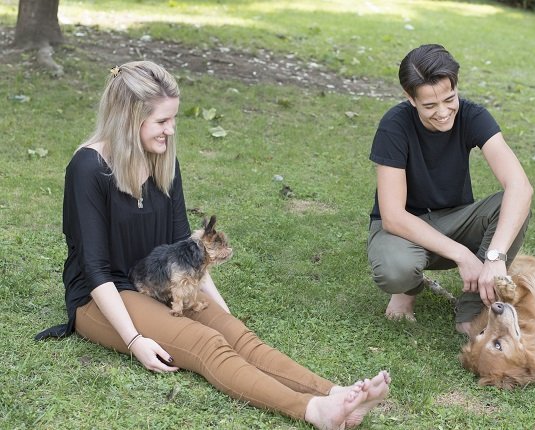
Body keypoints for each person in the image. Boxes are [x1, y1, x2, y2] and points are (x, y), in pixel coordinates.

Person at [35, 60, 390, 430]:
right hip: (102, 297)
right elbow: (94, 270)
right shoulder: (88, 168)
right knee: (207, 343)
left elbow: (183, 251)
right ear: (128, 118)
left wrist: (224, 314)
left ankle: (334, 394)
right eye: (161, 121)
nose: (171, 130)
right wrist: (135, 339)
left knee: (236, 334)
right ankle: (314, 411)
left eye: (173, 120)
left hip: (162, 282)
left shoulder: (164, 163)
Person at [367, 44, 533, 335]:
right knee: (395, 271)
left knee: (513, 203)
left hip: (455, 218)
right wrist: (463, 255)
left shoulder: (473, 116)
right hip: (403, 228)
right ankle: (408, 289)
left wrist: (494, 258)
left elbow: (520, 186)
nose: (443, 113)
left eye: (449, 99)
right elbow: (392, 216)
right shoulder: (394, 125)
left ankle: (471, 311)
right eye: (430, 106)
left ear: (456, 87)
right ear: (410, 98)